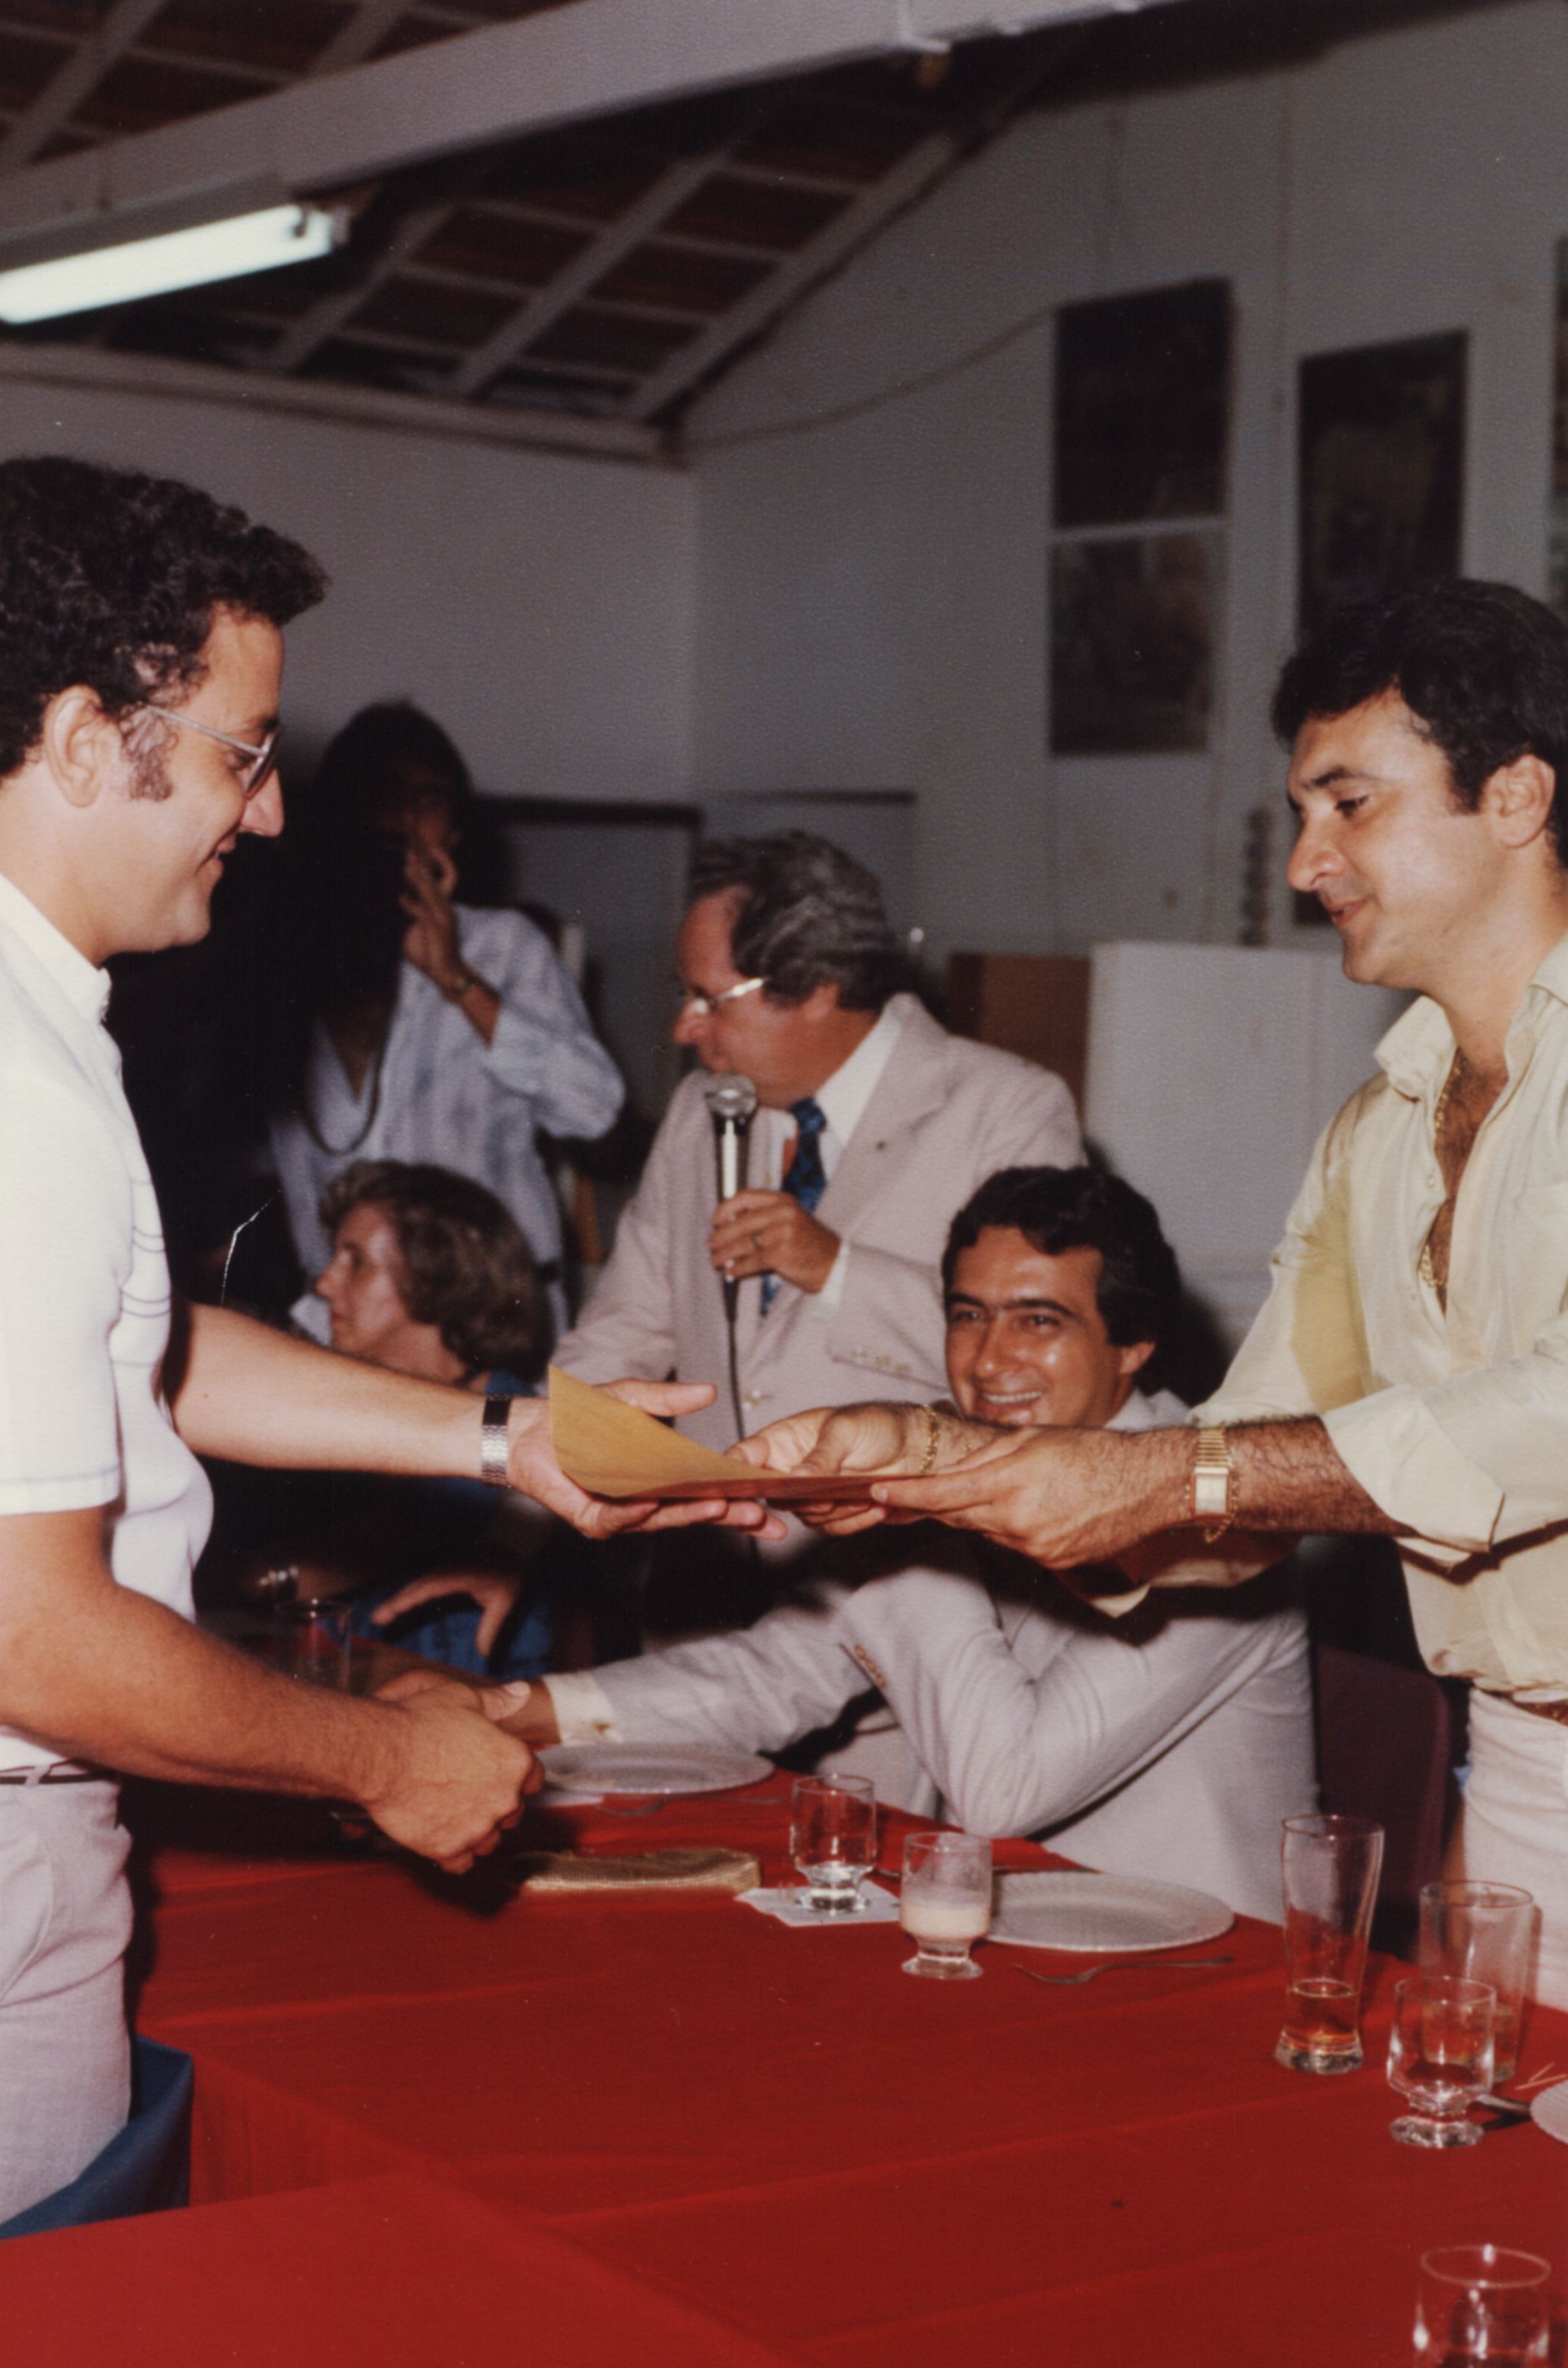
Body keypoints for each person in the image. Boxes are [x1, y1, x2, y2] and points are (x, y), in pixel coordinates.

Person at [0, 457, 768, 2250]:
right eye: (238, 751)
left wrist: (499, 1433)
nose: (273, 814)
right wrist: (384, 1758)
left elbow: (127, 1355)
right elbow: (36, 1645)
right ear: (82, 740)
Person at [742, 579, 1568, 1997]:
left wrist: (1167, 1480)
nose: (1307, 862)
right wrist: (939, 1467)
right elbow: (1245, 1481)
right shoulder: (1378, 1131)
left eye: (1348, 804)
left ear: (1514, 797)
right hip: (1528, 1750)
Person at [502, 1168, 1312, 1918]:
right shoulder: (973, 1450)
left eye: (1039, 1320)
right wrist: (515, 1710)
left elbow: (1004, 1786)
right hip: (1007, 1949)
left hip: (1200, 1979)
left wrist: (914, 1514)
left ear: (1134, 1346)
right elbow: (774, 1673)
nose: (990, 1361)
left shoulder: (1210, 1516)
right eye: (969, 1316)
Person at [556, 831, 1082, 1453]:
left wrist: (836, 1269)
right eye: (684, 993)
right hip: (712, 1540)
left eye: (709, 1000)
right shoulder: (700, 1110)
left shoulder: (1006, 1109)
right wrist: (520, 1521)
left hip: (897, 1539)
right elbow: (622, 1332)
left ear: (817, 989)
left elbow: (1040, 1357)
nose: (682, 1027)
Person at [266, 701, 623, 1334]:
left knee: (495, 1441)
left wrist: (456, 978)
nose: (403, 819)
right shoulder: (292, 958)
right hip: (346, 1327)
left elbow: (594, 1108)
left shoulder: (504, 947)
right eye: (380, 795)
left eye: (426, 798)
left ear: (455, 831)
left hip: (491, 1324)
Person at [311, 1158, 554, 1680]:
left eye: (356, 1262)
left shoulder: (503, 1418)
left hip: (474, 1702)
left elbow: (369, 1549)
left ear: (435, 1276)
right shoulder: (362, 1409)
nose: (324, 1283)